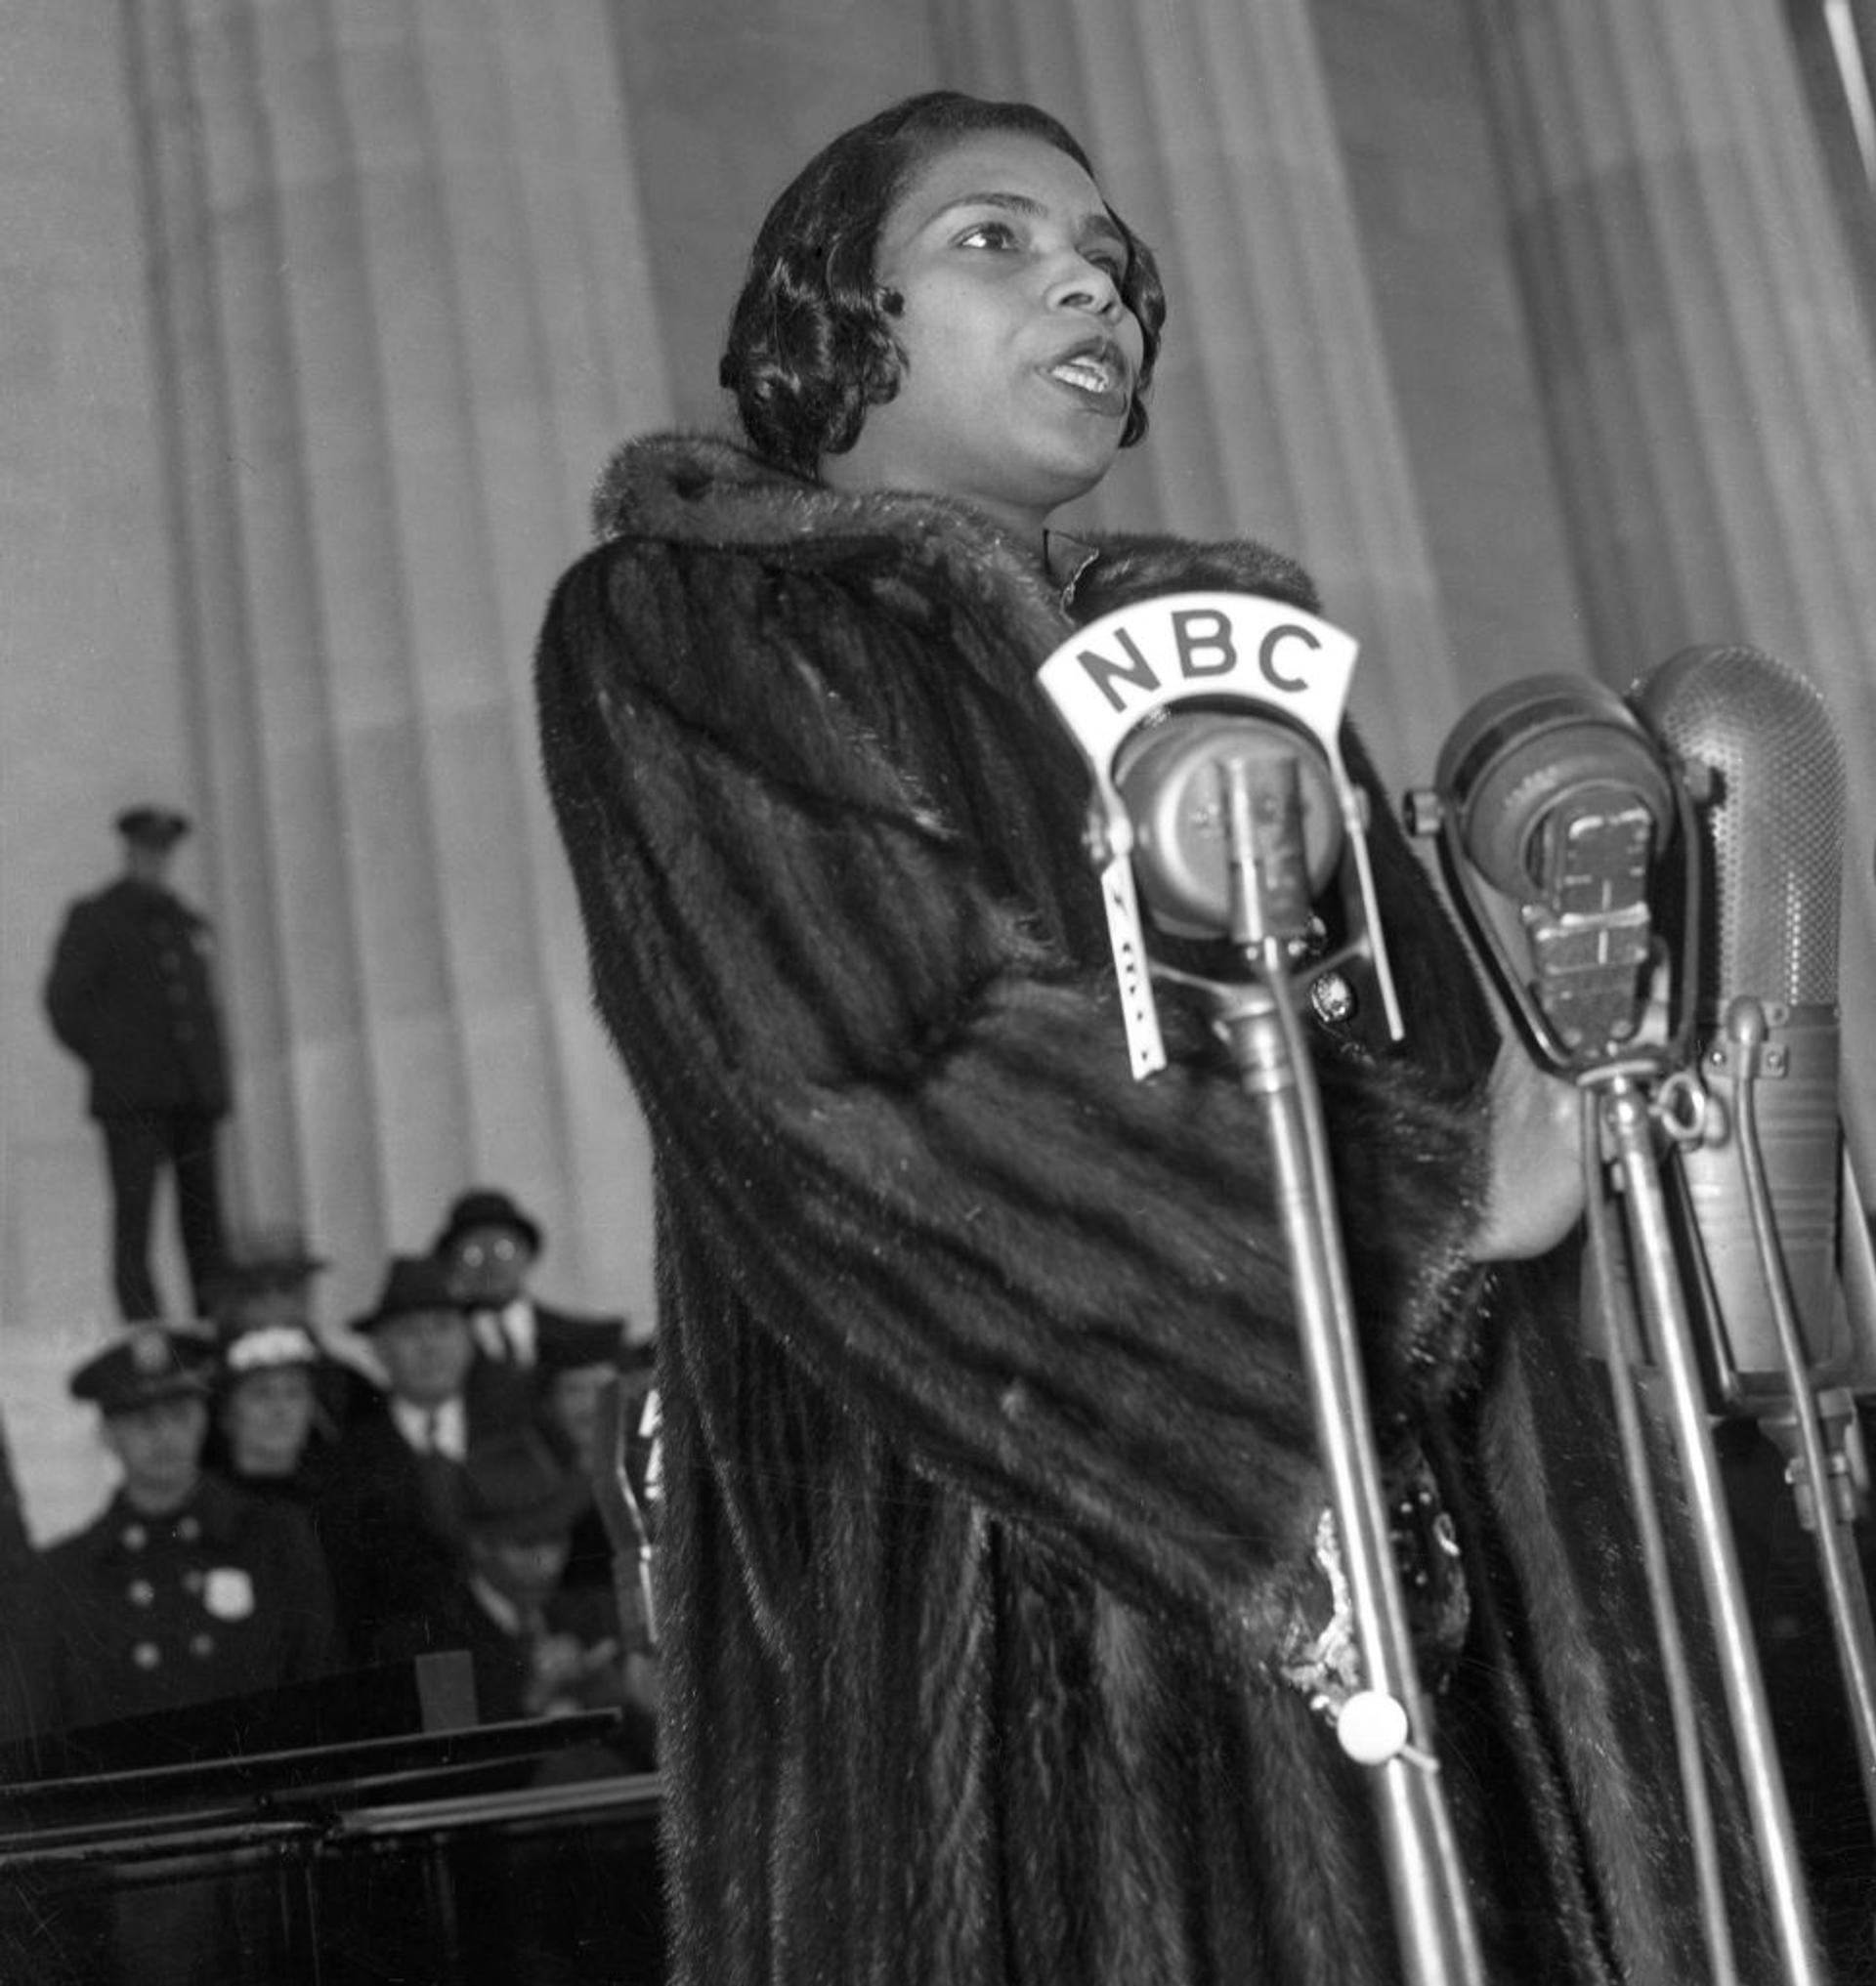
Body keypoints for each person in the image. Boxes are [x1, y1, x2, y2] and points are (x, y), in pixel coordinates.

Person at [533, 91, 1782, 1985]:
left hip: (1418, 1607)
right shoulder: (682, 618)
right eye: (996, 244)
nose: (1089, 288)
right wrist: (1424, 1200)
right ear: (827, 319)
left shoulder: (1222, 650)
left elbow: (1447, 1059)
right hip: (1010, 1615)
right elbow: (862, 1076)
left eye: (1112, 264)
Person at [26, 1325, 342, 1737]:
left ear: (204, 1418)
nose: (164, 1436)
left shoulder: (276, 1536)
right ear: (108, 1435)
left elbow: (321, 1682)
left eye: (179, 1415)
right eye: (142, 1421)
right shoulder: (68, 1572)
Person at [43, 805, 232, 1320]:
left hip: (192, 1093)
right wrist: (111, 1058)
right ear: (129, 853)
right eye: (147, 851)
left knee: (203, 1213)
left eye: (163, 852)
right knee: (136, 1213)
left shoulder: (186, 922)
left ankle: (212, 1314)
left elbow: (200, 1010)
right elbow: (64, 1003)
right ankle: (142, 1318)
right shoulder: (97, 917)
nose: (155, 861)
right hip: (132, 1095)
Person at [314, 1254, 536, 1659]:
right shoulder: (347, 1462)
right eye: (409, 1333)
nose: (429, 1346)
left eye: (442, 1328)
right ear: (379, 1350)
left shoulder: (520, 1433)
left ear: (469, 1341)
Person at [431, 1185, 631, 1373]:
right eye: (472, 1255)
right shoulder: (436, 1349)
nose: (490, 1263)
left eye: (503, 1251)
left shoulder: (584, 1341)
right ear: (452, 1264)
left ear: (526, 1253)